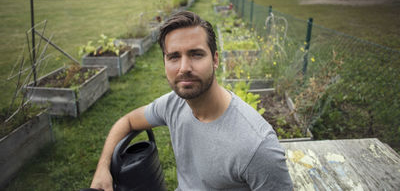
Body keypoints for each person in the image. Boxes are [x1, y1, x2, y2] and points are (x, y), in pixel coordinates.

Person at [90, 11, 293, 191]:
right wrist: (102, 168)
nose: (184, 67)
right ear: (164, 62)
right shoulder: (173, 104)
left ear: (215, 60)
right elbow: (127, 121)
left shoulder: (257, 147)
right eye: (174, 57)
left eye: (196, 54)